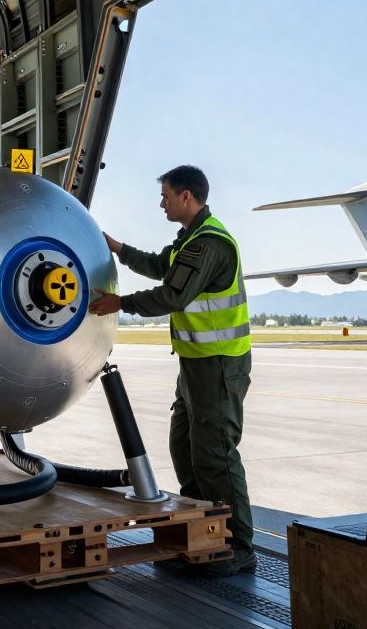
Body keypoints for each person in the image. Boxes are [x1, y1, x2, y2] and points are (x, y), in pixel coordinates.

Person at [88, 165, 256, 576]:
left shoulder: (209, 243)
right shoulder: (189, 241)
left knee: (215, 454)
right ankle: (200, 530)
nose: (160, 203)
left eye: (165, 196)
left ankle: (239, 544)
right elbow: (161, 266)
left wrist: (120, 304)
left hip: (218, 365)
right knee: (185, 447)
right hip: (195, 365)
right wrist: (118, 248)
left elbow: (174, 293)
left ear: (186, 196)